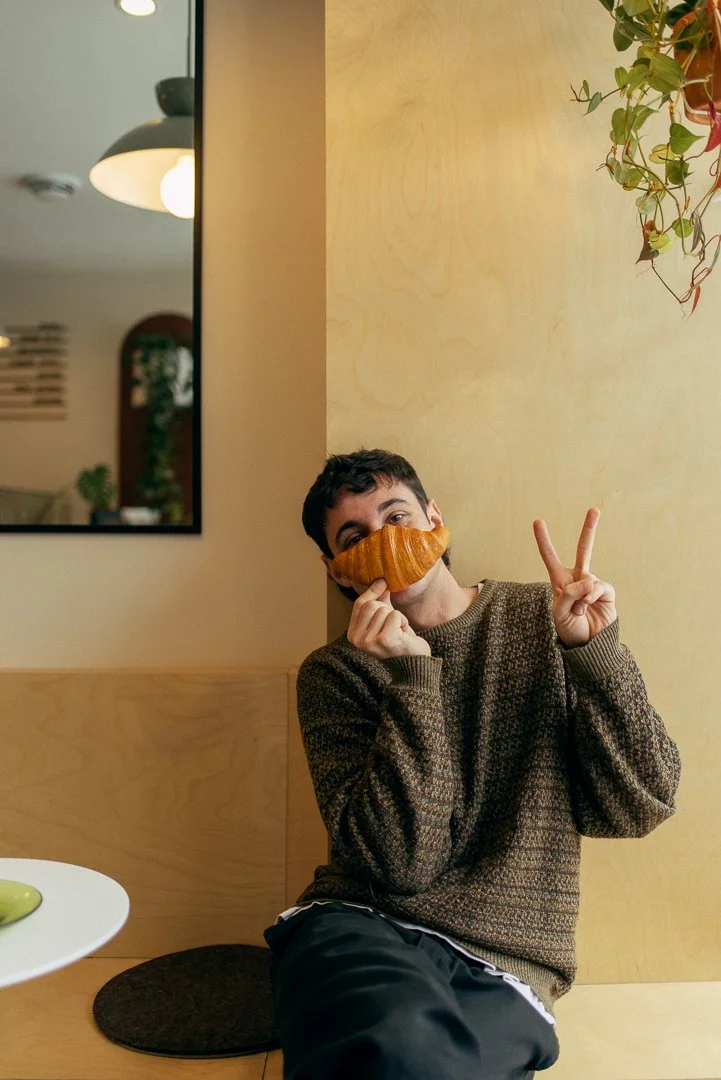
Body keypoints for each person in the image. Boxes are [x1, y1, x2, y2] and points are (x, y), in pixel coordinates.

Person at [263, 449, 681, 1080]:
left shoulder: (545, 621)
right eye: (355, 538)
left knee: (427, 1065)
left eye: (396, 515)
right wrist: (412, 676)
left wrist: (594, 653)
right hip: (361, 928)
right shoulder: (335, 674)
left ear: (433, 518)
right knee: (392, 1041)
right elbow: (402, 863)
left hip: (507, 966)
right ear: (337, 571)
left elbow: (641, 804)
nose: (383, 542)